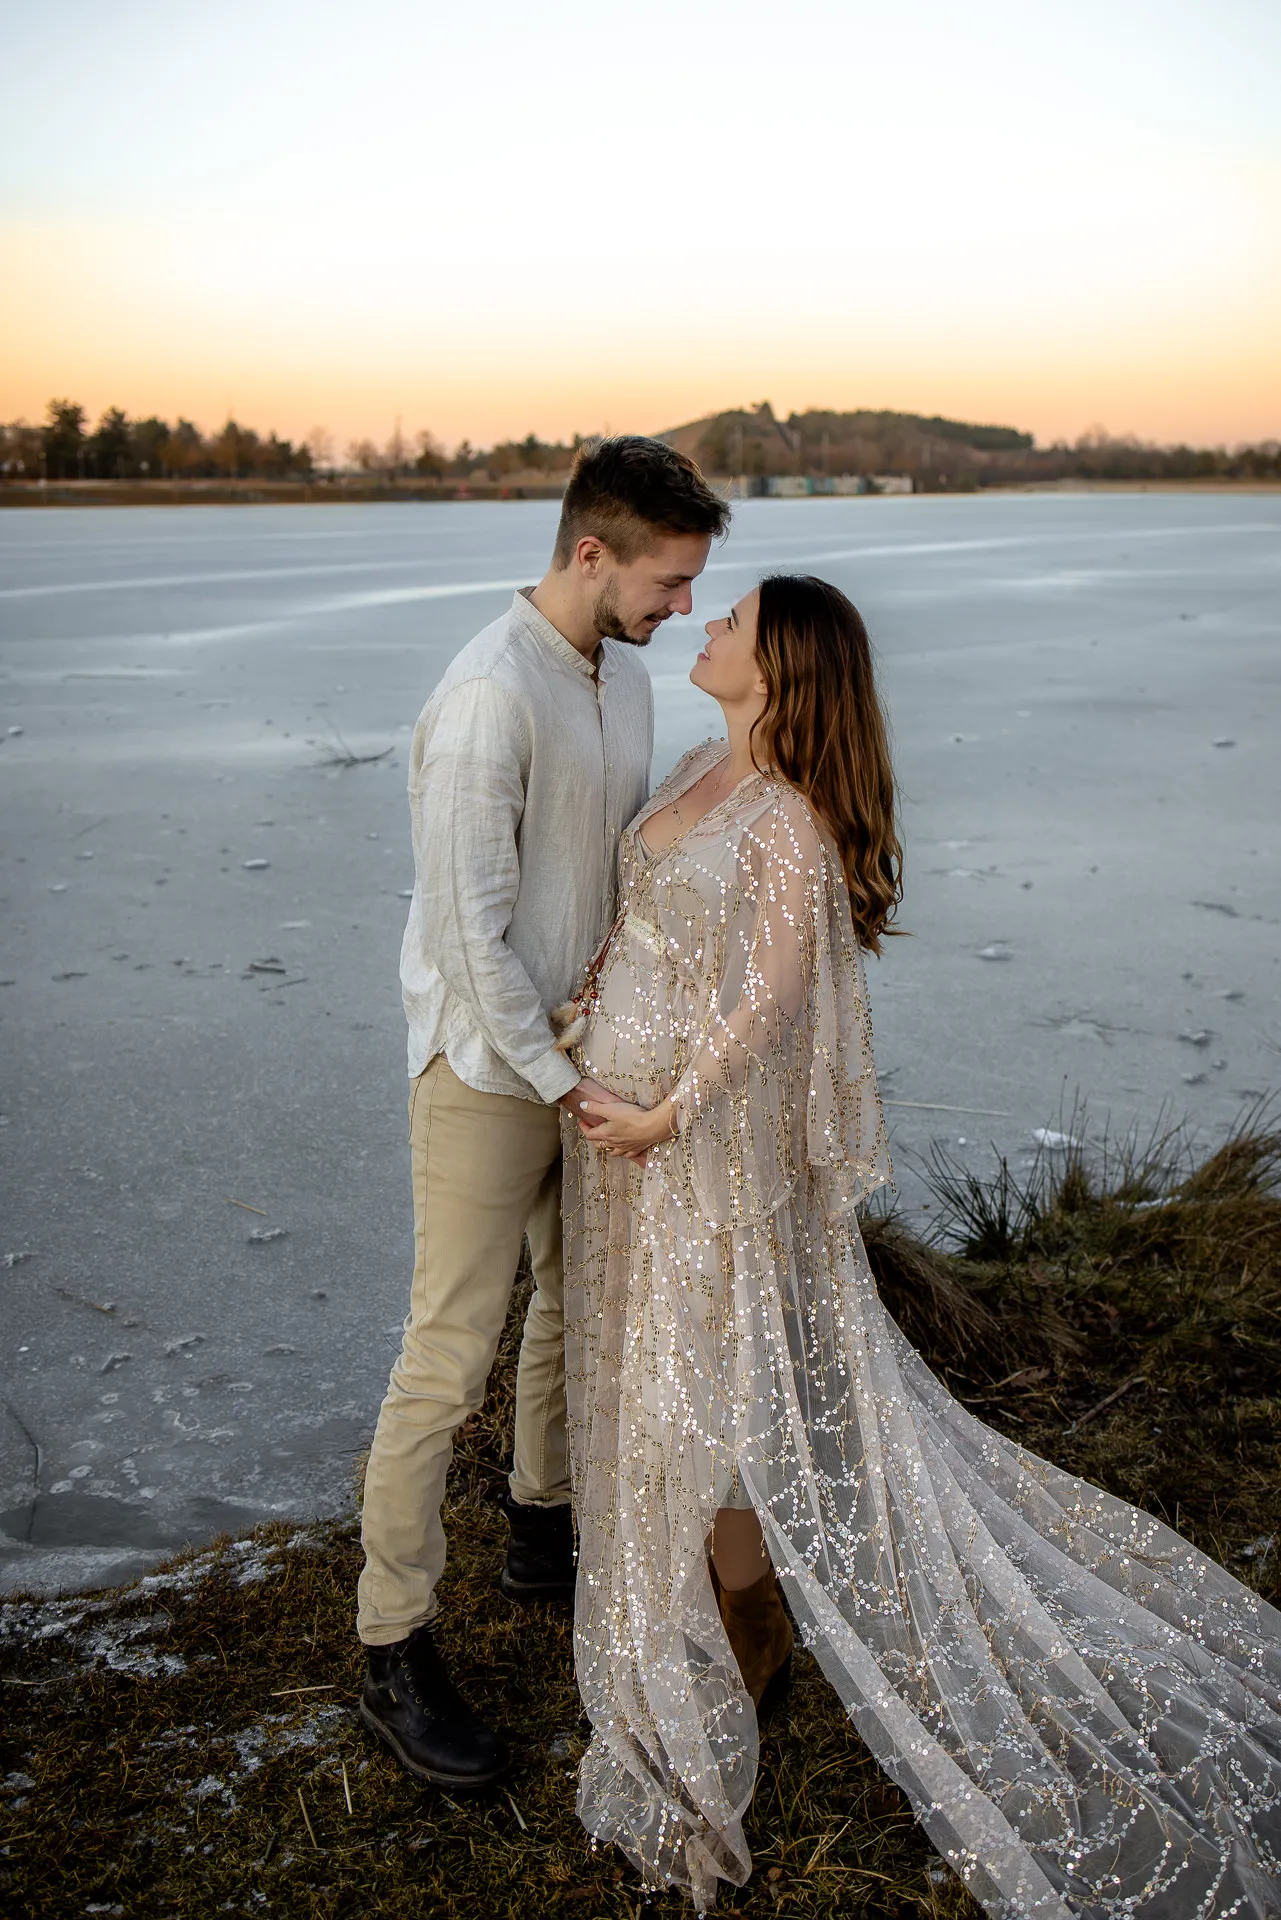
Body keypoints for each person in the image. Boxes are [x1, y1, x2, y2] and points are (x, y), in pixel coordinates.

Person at [561, 574, 1281, 1915]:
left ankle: (734, 1625)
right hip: (622, 1155)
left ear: (780, 667)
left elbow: (769, 1000)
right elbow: (646, 926)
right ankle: (728, 1600)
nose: (708, 625)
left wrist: (668, 1107)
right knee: (664, 1393)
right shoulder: (695, 764)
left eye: (733, 623)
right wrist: (583, 1015)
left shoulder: (783, 823)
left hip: (693, 1159)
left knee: (695, 1390)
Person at [356, 436, 730, 1788]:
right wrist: (569, 1084)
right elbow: (465, 937)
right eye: (670, 580)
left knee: (573, 1307)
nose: (681, 606)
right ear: (592, 554)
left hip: (587, 1063)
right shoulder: (484, 698)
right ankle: (391, 1641)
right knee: (450, 1349)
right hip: (483, 1068)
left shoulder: (621, 682)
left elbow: (611, 867)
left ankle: (539, 1526)